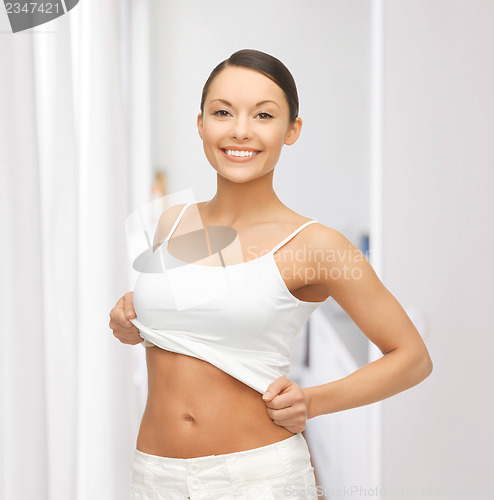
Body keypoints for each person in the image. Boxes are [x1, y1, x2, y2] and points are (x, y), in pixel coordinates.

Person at [109, 48, 433, 499]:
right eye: (222, 112)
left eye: (263, 115)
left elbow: (412, 356)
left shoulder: (315, 245)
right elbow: (201, 322)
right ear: (200, 123)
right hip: (154, 475)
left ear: (292, 130)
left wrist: (312, 401)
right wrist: (133, 321)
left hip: (256, 478)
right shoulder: (172, 221)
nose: (240, 130)